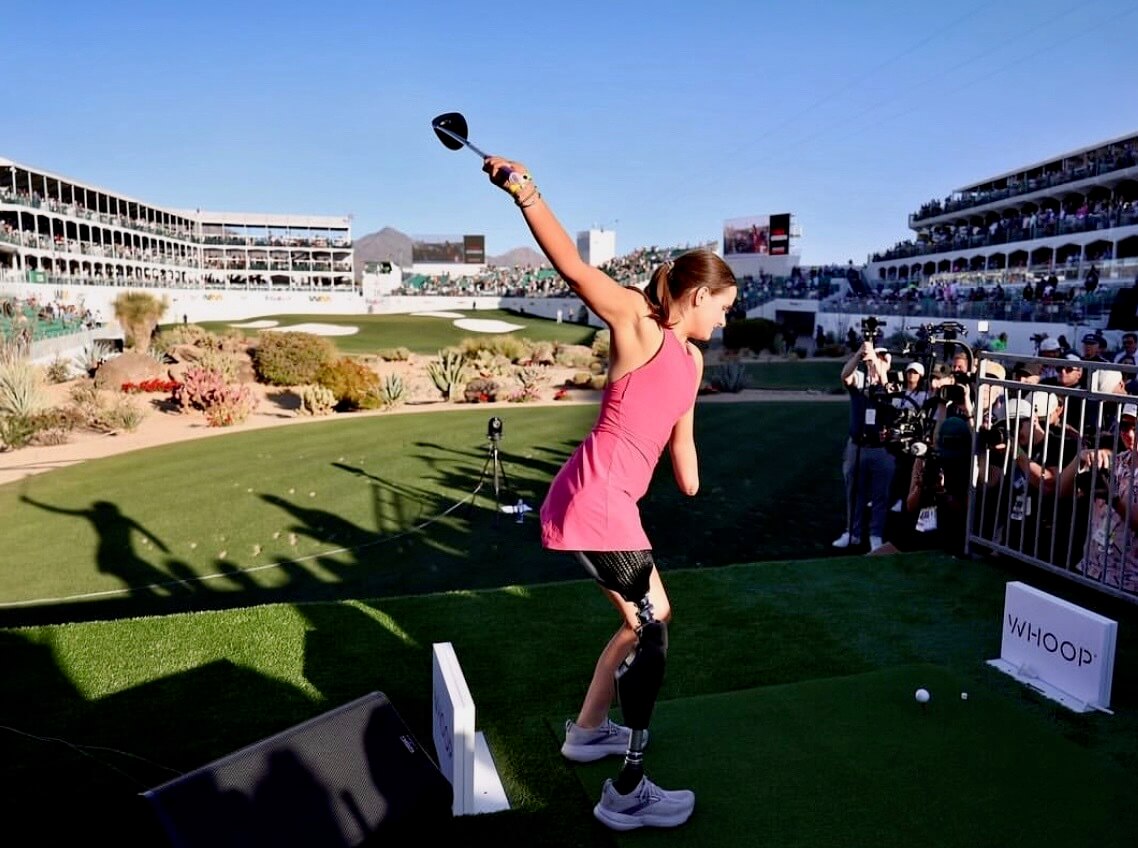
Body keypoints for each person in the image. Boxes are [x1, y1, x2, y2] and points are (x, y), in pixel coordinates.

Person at [481, 154, 737, 831]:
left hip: (609, 501)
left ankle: (589, 731)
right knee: (651, 628)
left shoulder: (694, 358)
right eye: (724, 306)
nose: (726, 319)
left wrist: (690, 478)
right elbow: (574, 267)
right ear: (695, 296)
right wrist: (526, 192)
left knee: (641, 621)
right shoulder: (639, 323)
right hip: (592, 498)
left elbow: (682, 450)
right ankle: (627, 792)